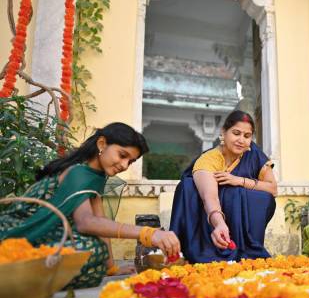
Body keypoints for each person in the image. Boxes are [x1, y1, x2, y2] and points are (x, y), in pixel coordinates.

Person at [0, 123, 181, 288]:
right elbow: (86, 222)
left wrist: (111, 268)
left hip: (49, 237)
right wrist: (148, 233)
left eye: (131, 161)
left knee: (94, 250)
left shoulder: (96, 175)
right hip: (19, 233)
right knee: (89, 249)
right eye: (122, 155)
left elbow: (100, 221)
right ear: (102, 144)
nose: (125, 165)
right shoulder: (78, 172)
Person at [170, 110, 277, 263]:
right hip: (207, 217)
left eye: (247, 136)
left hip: (236, 213)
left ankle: (248, 249)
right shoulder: (209, 159)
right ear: (223, 133)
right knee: (190, 186)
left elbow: (273, 189)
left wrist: (238, 180)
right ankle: (212, 249)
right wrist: (219, 224)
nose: (241, 140)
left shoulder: (254, 154)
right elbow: (209, 197)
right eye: (236, 133)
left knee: (261, 197)